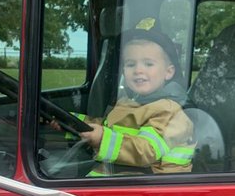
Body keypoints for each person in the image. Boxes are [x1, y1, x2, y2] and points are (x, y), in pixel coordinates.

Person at [79, 19, 195, 174]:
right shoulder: (131, 102)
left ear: (168, 72)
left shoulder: (170, 111)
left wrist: (102, 139)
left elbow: (146, 151)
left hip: (154, 186)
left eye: (148, 64)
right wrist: (74, 123)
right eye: (130, 64)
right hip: (119, 175)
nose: (138, 70)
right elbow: (108, 126)